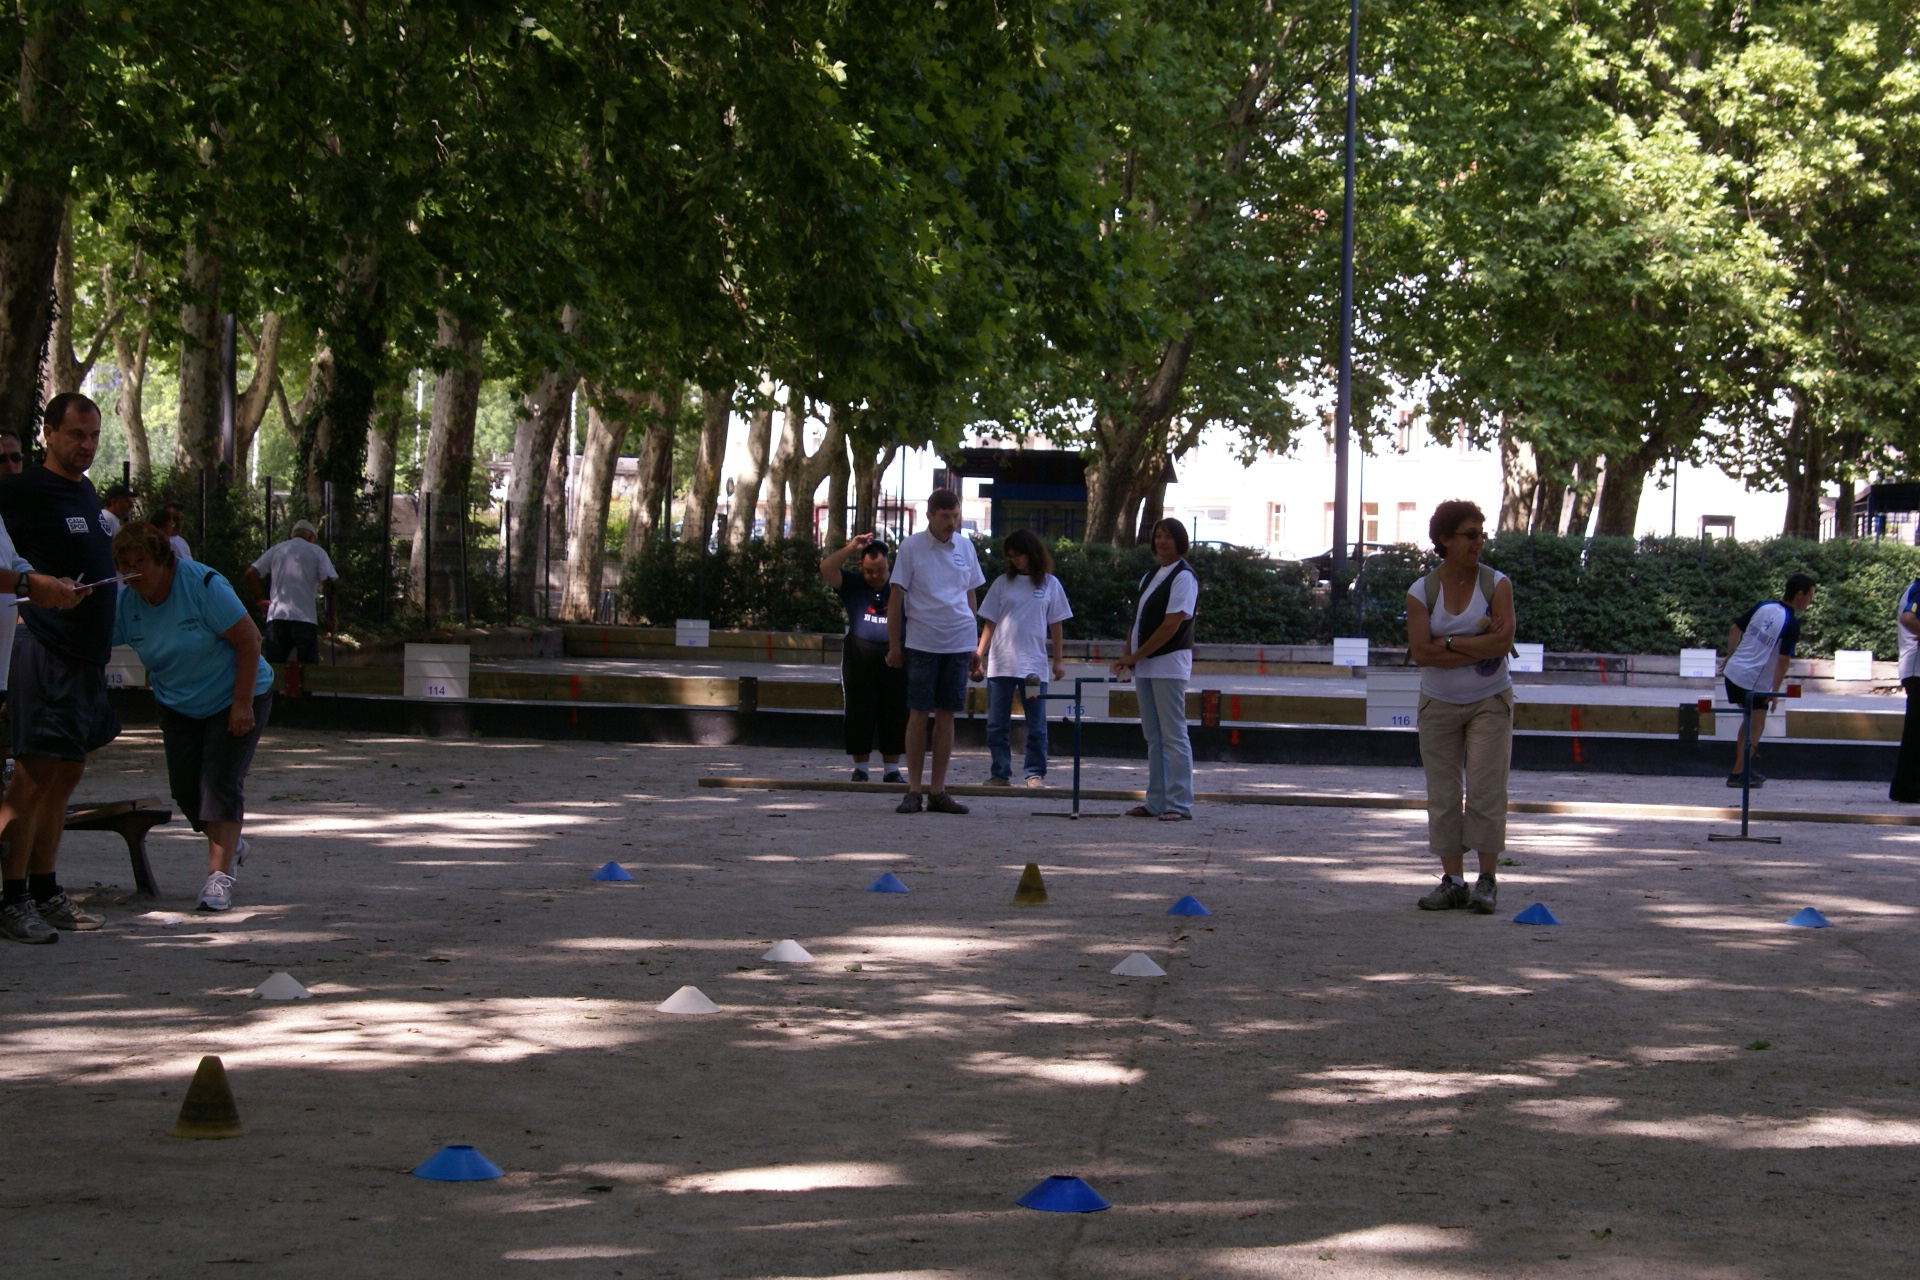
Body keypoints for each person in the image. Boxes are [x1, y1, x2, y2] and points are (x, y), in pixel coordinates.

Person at [0, 393, 118, 943]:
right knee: (32, 777)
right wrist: (32, 592)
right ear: (47, 433)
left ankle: (46, 890)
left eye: (93, 436)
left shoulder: (85, 490)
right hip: (45, 649)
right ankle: (11, 899)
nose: (86, 446)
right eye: (75, 434)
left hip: (86, 656)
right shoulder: (21, 489)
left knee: (65, 776)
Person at [111, 522, 274, 912]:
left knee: (219, 783)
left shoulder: (202, 584)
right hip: (178, 702)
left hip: (234, 694)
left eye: (140, 561)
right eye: (124, 564)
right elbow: (93, 641)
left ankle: (218, 880)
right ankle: (231, 840)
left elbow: (249, 639)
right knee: (187, 791)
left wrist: (242, 703)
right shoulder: (126, 603)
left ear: (163, 561)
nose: (132, 572)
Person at [1406, 500, 1515, 914]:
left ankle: (1487, 881)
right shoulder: (1421, 592)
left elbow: (1502, 645)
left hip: (1490, 700)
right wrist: (1477, 645)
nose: (1479, 542)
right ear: (1444, 539)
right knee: (1444, 795)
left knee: (1487, 791)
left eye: (1482, 534)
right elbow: (1421, 653)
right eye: (1470, 535)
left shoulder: (1497, 584)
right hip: (1438, 704)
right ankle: (1453, 882)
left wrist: (1448, 642)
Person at [886, 489, 984, 814]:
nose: (952, 522)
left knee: (947, 715)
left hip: (958, 641)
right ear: (929, 515)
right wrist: (894, 645)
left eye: (955, 515)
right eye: (945, 516)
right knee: (917, 714)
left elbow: (970, 594)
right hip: (922, 641)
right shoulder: (911, 546)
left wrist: (973, 644)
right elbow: (896, 597)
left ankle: (938, 791)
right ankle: (914, 790)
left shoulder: (966, 546)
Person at [1111, 517, 1198, 821]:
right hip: (1145, 665)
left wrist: (1135, 656)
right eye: (1158, 536)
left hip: (1169, 664)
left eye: (1169, 537)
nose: (1162, 541)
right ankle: (1156, 801)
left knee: (1173, 735)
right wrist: (1128, 655)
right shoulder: (1150, 575)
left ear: (1180, 542)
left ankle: (1180, 803)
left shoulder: (1183, 576)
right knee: (1154, 737)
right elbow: (1136, 621)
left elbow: (1171, 626)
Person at [975, 528, 1071, 787]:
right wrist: (979, 655)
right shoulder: (1001, 583)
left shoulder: (1050, 584)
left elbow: (1056, 624)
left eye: (1018, 554)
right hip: (1001, 665)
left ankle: (1035, 773)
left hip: (1033, 669)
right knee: (996, 724)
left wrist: (1058, 660)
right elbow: (990, 622)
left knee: (1036, 725)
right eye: (1010, 556)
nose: (1014, 560)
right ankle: (1000, 772)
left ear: (1032, 553)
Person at [819, 533, 906, 783]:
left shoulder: (901, 585)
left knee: (895, 711)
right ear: (861, 567)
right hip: (859, 653)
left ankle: (892, 770)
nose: (875, 576)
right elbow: (826, 568)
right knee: (859, 711)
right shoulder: (852, 583)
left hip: (896, 653)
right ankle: (861, 768)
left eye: (880, 571)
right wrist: (851, 547)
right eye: (869, 571)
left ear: (889, 565)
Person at [1721, 573, 1815, 788]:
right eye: (1810, 596)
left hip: (1733, 673)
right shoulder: (1791, 622)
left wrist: (1729, 656)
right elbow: (1783, 660)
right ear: (1800, 594)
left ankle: (1743, 767)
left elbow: (1735, 629)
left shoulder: (1763, 606)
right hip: (1753, 680)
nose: (1810, 601)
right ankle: (1739, 773)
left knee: (1749, 721)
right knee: (1756, 724)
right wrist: (1774, 692)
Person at [245, 519, 338, 686]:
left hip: (277, 617)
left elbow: (250, 573)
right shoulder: (317, 552)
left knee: (274, 669)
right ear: (311, 537)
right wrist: (331, 616)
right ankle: (305, 699)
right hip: (305, 618)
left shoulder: (277, 549)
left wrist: (260, 600)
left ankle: (273, 700)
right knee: (308, 672)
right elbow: (328, 585)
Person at [1892, 578, 1920, 803]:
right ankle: (1908, 788)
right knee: (1915, 733)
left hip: (1914, 669)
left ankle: (1905, 787)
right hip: (1917, 669)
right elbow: (1908, 618)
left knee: (1914, 733)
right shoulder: (1919, 590)